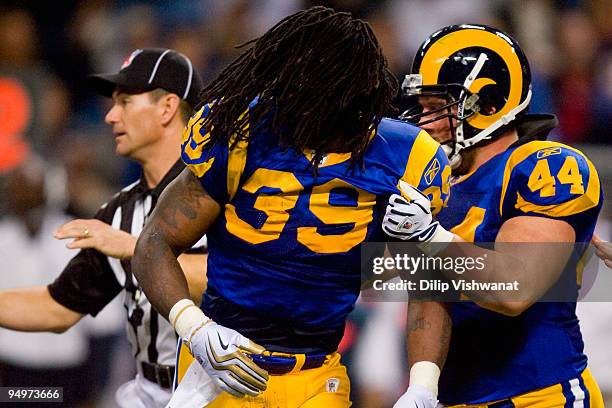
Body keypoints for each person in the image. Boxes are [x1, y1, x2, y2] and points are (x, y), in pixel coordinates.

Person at [131, 6, 451, 408]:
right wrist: (195, 329)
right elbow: (155, 242)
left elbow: (428, 279)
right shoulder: (239, 134)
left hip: (318, 375)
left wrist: (423, 384)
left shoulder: (404, 156)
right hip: (224, 362)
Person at [382, 24, 605, 407]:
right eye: (421, 109)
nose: (424, 123)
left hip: (539, 396)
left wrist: (430, 238)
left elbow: (514, 289)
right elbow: (431, 292)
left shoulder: (545, 167)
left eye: (437, 109)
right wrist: (422, 385)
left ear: (489, 104)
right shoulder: (436, 179)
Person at [0, 48, 206, 408]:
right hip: (148, 390)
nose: (110, 116)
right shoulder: (120, 211)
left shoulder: (226, 192)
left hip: (219, 393)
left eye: (125, 102)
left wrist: (132, 247)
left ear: (167, 107)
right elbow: (57, 308)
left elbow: (228, 280)